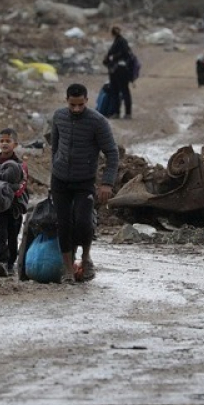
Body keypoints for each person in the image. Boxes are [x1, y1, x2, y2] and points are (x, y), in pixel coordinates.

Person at [50, 83, 119, 284]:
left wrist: (107, 183)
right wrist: (54, 170)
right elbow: (55, 147)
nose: (76, 109)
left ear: (87, 100)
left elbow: (112, 153)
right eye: (72, 105)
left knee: (83, 222)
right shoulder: (59, 117)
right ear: (66, 100)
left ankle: (86, 258)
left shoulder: (97, 122)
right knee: (63, 224)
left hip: (84, 181)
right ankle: (68, 269)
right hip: (60, 180)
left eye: (81, 104)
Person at [0, 128, 29, 277]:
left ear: (15, 144)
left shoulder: (20, 164)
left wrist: (8, 191)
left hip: (14, 206)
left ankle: (11, 263)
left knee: (13, 235)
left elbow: (22, 184)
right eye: (1, 141)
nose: (4, 144)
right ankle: (2, 262)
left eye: (8, 141)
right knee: (1, 234)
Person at [102, 26, 134, 119]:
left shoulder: (120, 42)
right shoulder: (120, 41)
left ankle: (123, 113)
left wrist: (112, 57)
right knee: (118, 91)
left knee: (121, 91)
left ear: (112, 33)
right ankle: (120, 113)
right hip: (116, 70)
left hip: (120, 70)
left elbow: (124, 54)